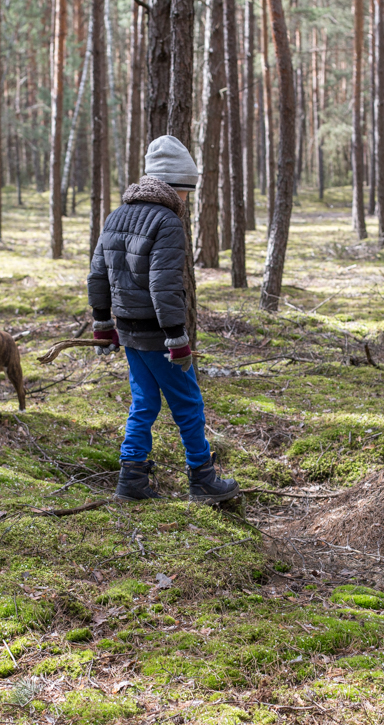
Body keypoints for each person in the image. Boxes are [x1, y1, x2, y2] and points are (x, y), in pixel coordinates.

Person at [87, 135, 240, 505]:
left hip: (128, 330)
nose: (187, 201)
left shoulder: (116, 215)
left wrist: (103, 323)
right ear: (175, 187)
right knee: (188, 402)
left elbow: (96, 275)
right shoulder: (167, 222)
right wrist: (177, 338)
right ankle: (202, 478)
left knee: (143, 402)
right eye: (187, 192)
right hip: (158, 334)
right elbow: (164, 285)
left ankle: (131, 478)